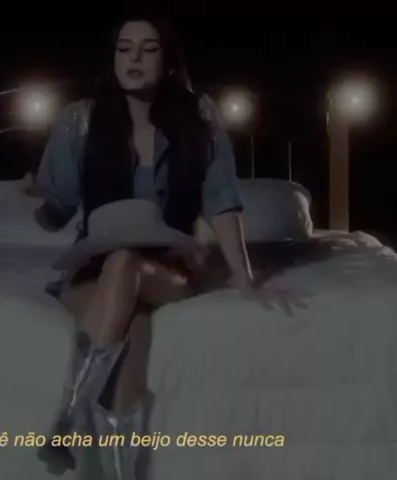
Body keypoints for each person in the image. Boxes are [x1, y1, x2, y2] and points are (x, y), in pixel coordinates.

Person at [33, 12, 309, 478]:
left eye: (149, 48)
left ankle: (71, 414)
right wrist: (36, 201)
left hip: (170, 269)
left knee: (126, 263)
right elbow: (58, 205)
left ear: (168, 60)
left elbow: (222, 200)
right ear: (112, 58)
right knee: (134, 328)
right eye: (125, 48)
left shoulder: (198, 117)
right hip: (93, 269)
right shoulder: (80, 120)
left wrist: (245, 279)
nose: (135, 58)